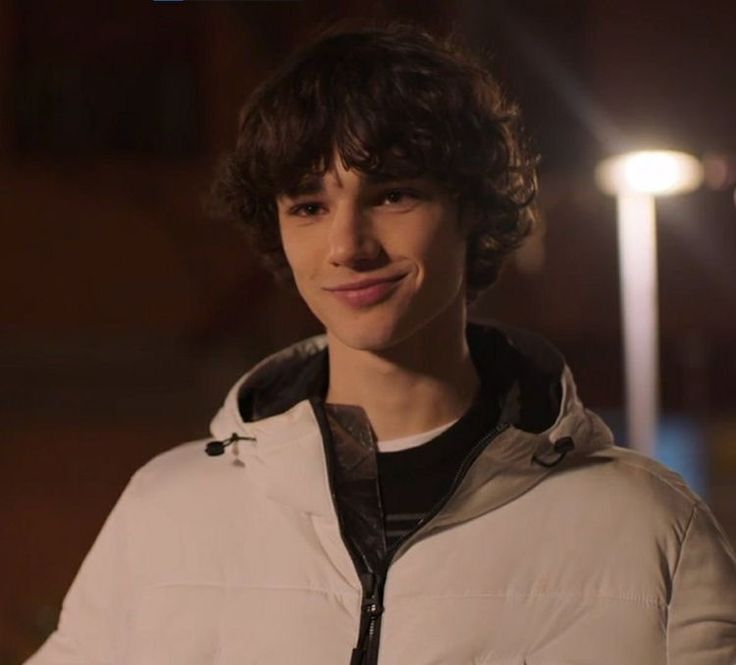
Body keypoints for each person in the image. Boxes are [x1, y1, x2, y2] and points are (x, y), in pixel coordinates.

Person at [26, 22, 736, 665]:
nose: (347, 245)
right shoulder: (165, 511)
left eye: (393, 193)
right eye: (308, 205)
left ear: (472, 208)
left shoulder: (651, 530)